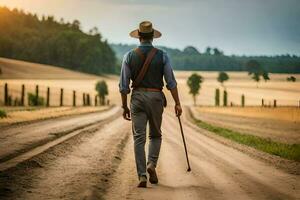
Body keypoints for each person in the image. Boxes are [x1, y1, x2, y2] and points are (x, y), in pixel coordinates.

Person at [119, 21, 182, 188]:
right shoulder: (163, 56)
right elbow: (171, 82)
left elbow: (124, 86)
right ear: (152, 36)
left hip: (137, 98)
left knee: (138, 139)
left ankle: (141, 176)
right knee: (155, 135)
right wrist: (177, 103)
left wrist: (124, 106)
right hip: (155, 98)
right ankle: (151, 164)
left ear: (139, 36)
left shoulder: (128, 56)